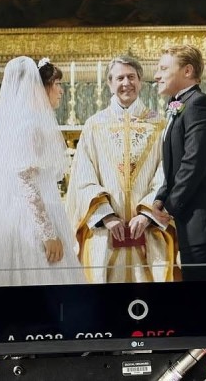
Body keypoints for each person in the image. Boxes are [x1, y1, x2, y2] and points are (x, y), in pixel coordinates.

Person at [0, 57, 84, 287]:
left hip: (26, 213)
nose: (61, 91)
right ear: (38, 87)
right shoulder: (30, 127)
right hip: (29, 223)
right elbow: (26, 181)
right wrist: (48, 234)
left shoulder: (25, 123)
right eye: (57, 84)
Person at [66, 56, 179, 283]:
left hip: (149, 232)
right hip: (105, 235)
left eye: (131, 77)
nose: (126, 83)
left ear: (140, 81)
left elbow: (167, 172)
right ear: (110, 83)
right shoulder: (94, 125)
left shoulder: (160, 125)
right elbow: (83, 176)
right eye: (120, 78)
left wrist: (147, 214)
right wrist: (106, 216)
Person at [151, 44, 206, 281]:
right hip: (194, 224)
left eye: (163, 68)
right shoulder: (182, 105)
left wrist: (169, 207)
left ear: (187, 71)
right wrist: (160, 197)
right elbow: (175, 165)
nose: (156, 75)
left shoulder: (200, 105)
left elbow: (193, 164)